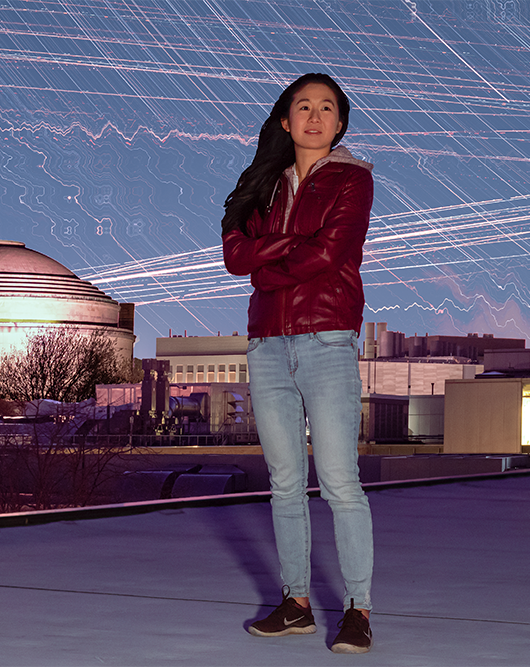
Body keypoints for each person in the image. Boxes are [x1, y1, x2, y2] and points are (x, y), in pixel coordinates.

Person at [221, 73, 374, 654]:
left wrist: (270, 259)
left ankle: (358, 609)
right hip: (267, 344)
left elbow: (329, 253)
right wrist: (289, 247)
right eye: (302, 106)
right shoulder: (262, 183)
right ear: (285, 120)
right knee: (285, 483)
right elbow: (237, 256)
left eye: (326, 107)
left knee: (339, 482)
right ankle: (297, 604)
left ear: (340, 122)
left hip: (327, 339)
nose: (314, 116)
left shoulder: (352, 179)